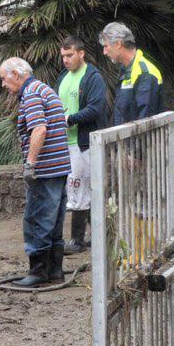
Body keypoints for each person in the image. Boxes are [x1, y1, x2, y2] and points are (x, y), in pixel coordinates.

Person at [0, 58, 71, 287]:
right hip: (59, 167)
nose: (2, 84)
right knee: (54, 219)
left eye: (3, 78)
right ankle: (55, 271)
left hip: (45, 169)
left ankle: (38, 272)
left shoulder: (31, 94)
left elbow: (39, 128)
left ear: (17, 74)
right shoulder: (45, 89)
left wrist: (30, 164)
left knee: (37, 218)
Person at [57, 35, 110, 255]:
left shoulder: (93, 77)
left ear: (81, 53)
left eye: (70, 55)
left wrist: (69, 119)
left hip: (85, 142)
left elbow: (95, 109)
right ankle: (98, 236)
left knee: (79, 188)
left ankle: (77, 240)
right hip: (67, 142)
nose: (66, 60)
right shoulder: (63, 77)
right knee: (82, 188)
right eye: (63, 56)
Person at [100, 21, 164, 125]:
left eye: (106, 46)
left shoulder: (145, 73)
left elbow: (145, 122)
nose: (104, 52)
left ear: (118, 44)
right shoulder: (125, 70)